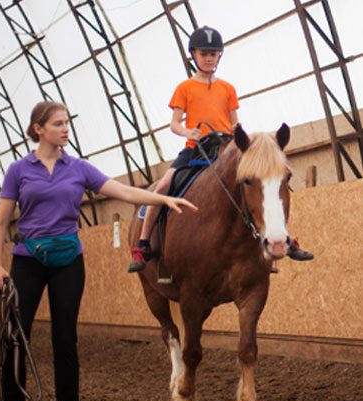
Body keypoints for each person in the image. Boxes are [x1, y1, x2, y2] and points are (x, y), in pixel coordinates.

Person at [0, 101, 198, 401]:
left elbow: (125, 191)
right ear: (38, 128)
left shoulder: (79, 168)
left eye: (67, 122)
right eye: (58, 124)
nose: (66, 129)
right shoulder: (18, 170)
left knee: (64, 339)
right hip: (27, 259)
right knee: (14, 338)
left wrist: (164, 200)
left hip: (68, 261)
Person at [128, 25, 313, 273]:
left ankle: (282, 239)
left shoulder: (227, 88)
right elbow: (174, 124)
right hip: (195, 148)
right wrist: (187, 132)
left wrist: (244, 139)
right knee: (162, 187)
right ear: (193, 55)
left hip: (225, 147)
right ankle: (142, 244)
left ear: (219, 56)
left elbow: (234, 121)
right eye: (204, 53)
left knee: (262, 185)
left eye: (213, 54)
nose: (208, 58)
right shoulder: (184, 88)